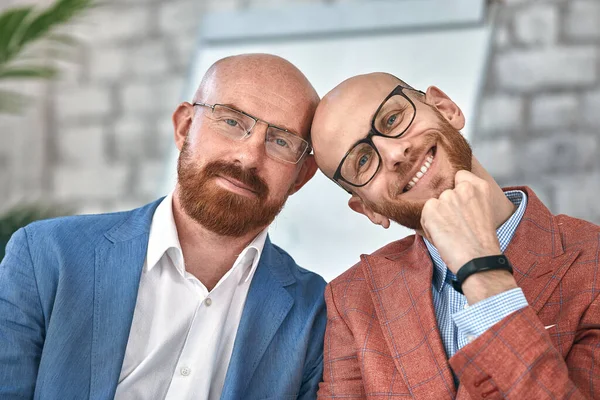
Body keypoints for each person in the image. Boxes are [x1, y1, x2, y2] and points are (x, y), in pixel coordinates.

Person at [0, 53, 327, 400]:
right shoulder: (45, 256)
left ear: (301, 177)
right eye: (231, 121)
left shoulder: (316, 315)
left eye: (281, 141)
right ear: (184, 127)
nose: (248, 157)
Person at [310, 72, 600, 399]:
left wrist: (482, 270)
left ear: (445, 107)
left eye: (392, 119)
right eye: (362, 161)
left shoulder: (593, 260)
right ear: (368, 209)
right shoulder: (351, 299)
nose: (393, 154)